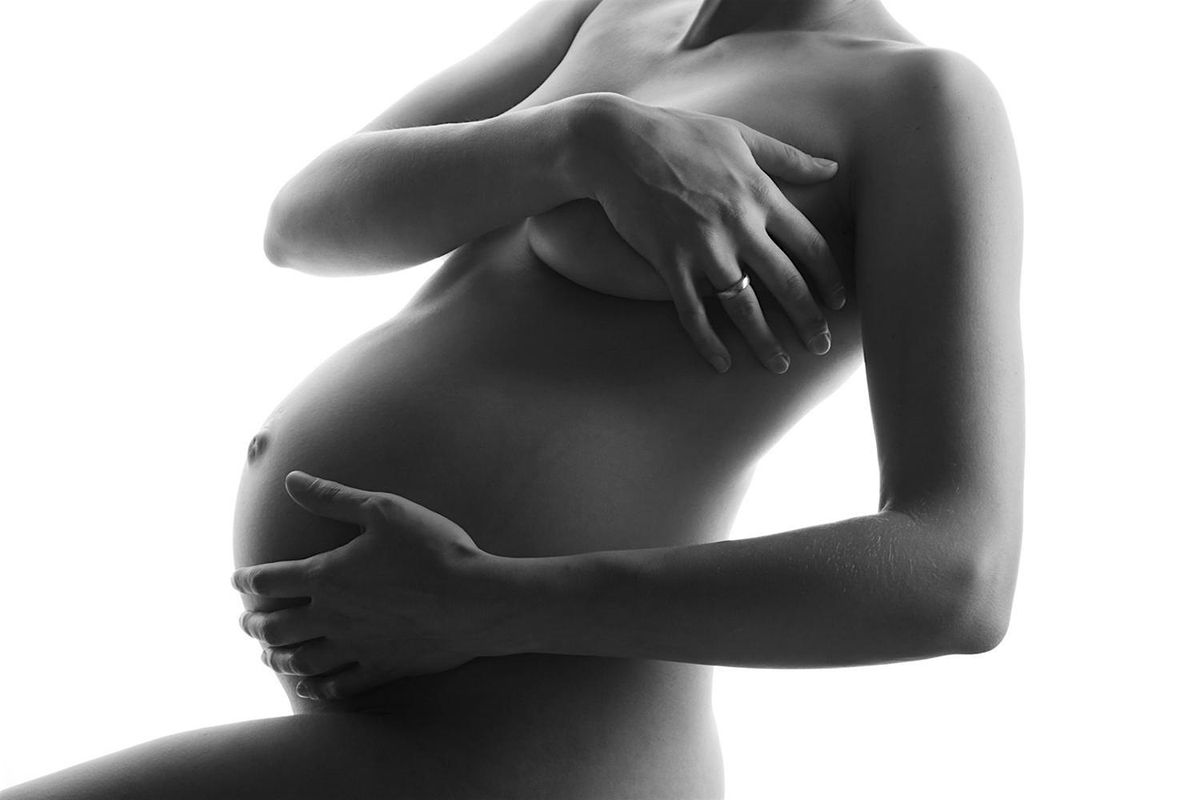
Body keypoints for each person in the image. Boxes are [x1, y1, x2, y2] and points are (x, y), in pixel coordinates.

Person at [0, 0, 1023, 797]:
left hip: (536, 754)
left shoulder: (916, 98)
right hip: (402, 734)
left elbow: (954, 572)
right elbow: (302, 225)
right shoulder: (612, 13)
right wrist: (581, 142)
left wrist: (487, 603)